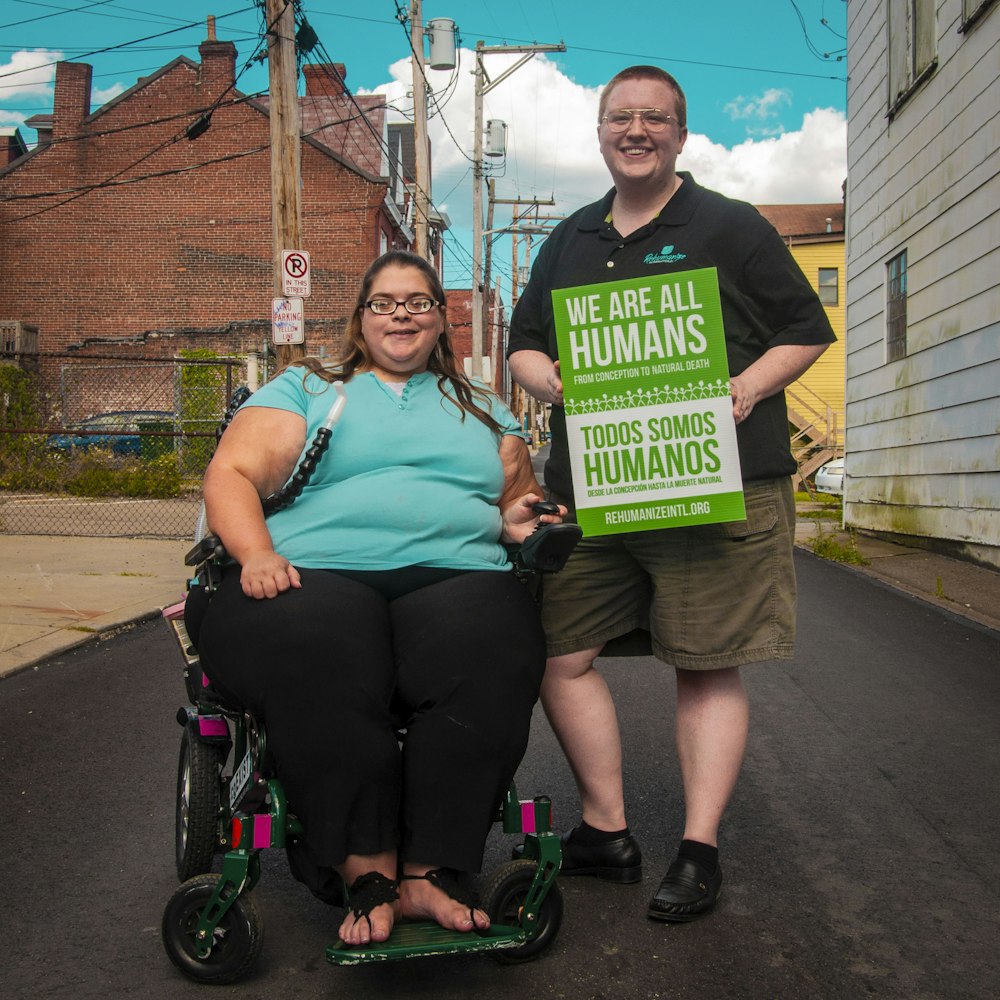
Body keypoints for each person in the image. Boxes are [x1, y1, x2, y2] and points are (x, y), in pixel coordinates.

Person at [507, 65, 835, 922]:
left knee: (705, 660)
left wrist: (743, 389)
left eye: (656, 118)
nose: (637, 130)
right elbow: (524, 346)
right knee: (557, 650)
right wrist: (562, 386)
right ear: (602, 131)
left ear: (682, 134)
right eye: (622, 117)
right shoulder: (572, 238)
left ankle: (698, 849)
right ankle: (606, 831)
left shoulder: (729, 225)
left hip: (716, 480)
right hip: (598, 489)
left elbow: (806, 328)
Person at [191, 249, 564, 947]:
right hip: (314, 572)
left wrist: (522, 520)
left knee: (494, 646)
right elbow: (232, 475)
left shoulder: (483, 406)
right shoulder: (310, 386)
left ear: (439, 320)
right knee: (316, 645)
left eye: (418, 301)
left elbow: (516, 499)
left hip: (454, 572)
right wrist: (258, 554)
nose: (402, 314)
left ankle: (432, 872)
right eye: (385, 302)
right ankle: (368, 873)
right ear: (361, 318)